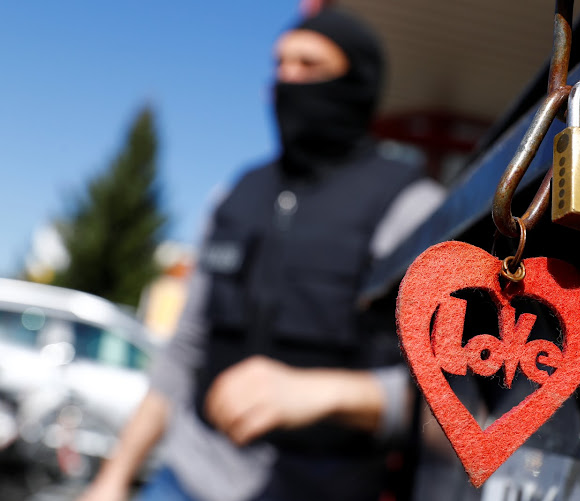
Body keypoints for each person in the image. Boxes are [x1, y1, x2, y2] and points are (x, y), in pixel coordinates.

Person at [79, 6, 445, 501]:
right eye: (279, 66)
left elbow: (449, 394)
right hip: (185, 477)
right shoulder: (234, 196)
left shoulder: (409, 206)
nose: (286, 80)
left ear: (357, 82)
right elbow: (186, 348)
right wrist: (115, 475)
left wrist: (329, 392)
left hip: (321, 487)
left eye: (309, 66)